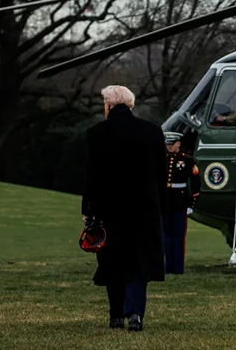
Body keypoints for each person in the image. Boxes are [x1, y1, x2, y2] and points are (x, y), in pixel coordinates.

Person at [81, 85, 167, 331]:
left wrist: (88, 209)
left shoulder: (97, 133)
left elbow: (91, 177)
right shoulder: (152, 131)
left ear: (108, 105)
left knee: (113, 261)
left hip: (109, 210)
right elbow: (161, 175)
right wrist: (160, 205)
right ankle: (135, 313)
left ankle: (116, 315)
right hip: (144, 209)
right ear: (130, 104)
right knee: (140, 262)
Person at [161, 131, 201, 274]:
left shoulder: (187, 160)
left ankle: (178, 268)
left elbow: (195, 182)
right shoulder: (161, 159)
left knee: (178, 236)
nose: (169, 147)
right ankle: (167, 267)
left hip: (180, 201)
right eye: (167, 144)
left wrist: (192, 203)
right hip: (165, 201)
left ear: (178, 144)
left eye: (172, 144)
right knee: (166, 235)